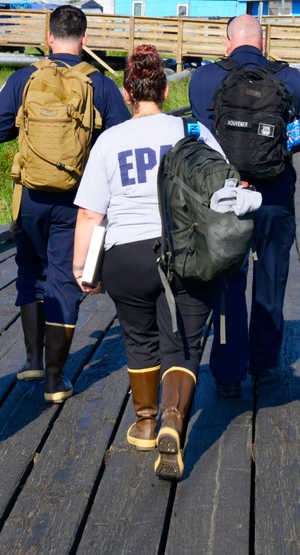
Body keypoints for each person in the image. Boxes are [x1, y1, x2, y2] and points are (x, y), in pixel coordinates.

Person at [73, 45, 237, 481]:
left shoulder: (109, 140)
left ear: (128, 94)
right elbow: (225, 187)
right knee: (181, 344)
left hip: (125, 257)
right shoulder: (192, 131)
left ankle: (145, 423)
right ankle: (172, 421)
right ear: (165, 89)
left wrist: (80, 269)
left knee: (139, 338)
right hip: (184, 252)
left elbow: (90, 213)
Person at [0, 5, 130, 404]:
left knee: (31, 270)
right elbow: (119, 142)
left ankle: (31, 359)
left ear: (48, 38)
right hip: (77, 200)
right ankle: (54, 378)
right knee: (65, 278)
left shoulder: (24, 79)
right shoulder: (100, 84)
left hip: (29, 197)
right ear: (84, 40)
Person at [188, 14, 300, 397]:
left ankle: (228, 374)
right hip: (274, 197)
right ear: (264, 43)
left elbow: (204, 140)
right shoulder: (290, 80)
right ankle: (265, 364)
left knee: (227, 284)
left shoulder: (204, 80)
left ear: (227, 43)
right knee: (271, 279)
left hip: (224, 198)